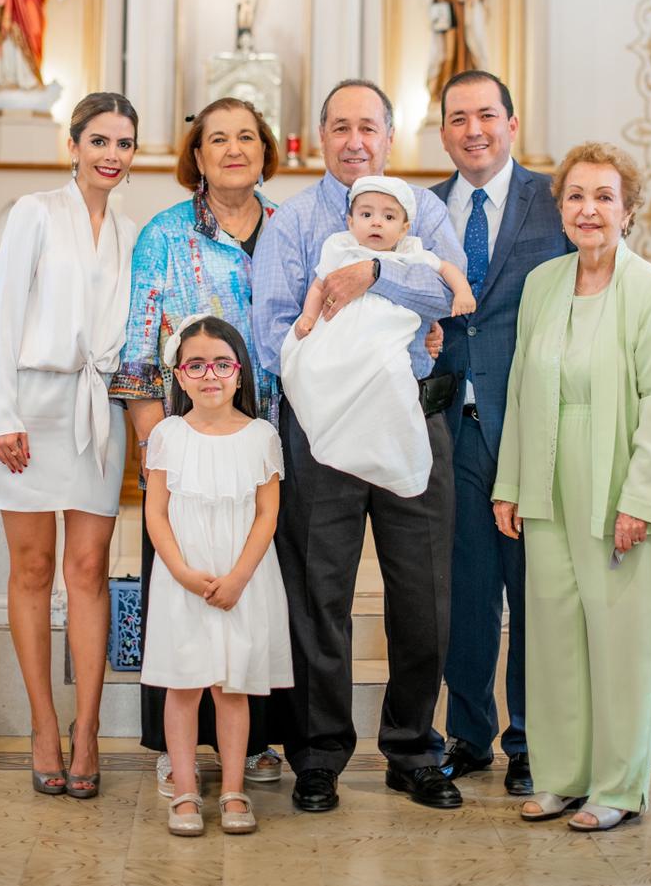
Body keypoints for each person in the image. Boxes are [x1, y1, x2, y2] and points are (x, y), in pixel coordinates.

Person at [431, 71, 651, 798]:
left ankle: (540, 751)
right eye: (459, 118)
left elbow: (647, 354)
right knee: (486, 602)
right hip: (471, 430)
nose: (474, 129)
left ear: (513, 123)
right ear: (444, 129)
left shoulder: (556, 203)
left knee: (571, 619)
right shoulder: (424, 209)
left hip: (576, 450)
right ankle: (485, 740)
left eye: (488, 115)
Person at [253, 80, 468, 812]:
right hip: (322, 431)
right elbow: (275, 326)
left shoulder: (424, 210)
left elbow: (447, 293)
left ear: (388, 135)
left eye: (368, 127)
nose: (355, 140)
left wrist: (375, 272)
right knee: (320, 595)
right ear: (320, 136)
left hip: (413, 418)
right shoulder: (295, 223)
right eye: (340, 126)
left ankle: (412, 748)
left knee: (424, 594)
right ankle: (317, 754)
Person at [493, 142, 651, 831]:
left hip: (619, 482)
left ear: (628, 211)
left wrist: (640, 496)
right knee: (552, 637)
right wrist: (510, 483)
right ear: (562, 209)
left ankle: (616, 787)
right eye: (576, 196)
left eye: (604, 197)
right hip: (546, 478)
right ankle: (560, 778)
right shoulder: (543, 283)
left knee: (622, 640)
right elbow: (519, 386)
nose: (589, 209)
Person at [110, 98, 285, 789]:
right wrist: (159, 445)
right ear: (198, 155)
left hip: (263, 436)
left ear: (265, 151)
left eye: (247, 136)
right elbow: (138, 341)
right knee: (180, 587)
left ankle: (257, 743)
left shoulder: (289, 230)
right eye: (219, 138)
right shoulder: (164, 232)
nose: (234, 148)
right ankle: (171, 743)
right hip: (183, 441)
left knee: (255, 583)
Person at [0, 92, 138, 797]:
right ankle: (44, 725)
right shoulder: (35, 213)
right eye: (99, 140)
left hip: (96, 406)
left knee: (88, 568)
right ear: (72, 145)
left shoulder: (133, 232)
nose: (111, 154)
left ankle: (88, 729)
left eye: (124, 143)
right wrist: (2, 414)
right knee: (33, 568)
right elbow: (4, 314)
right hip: (34, 404)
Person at [142, 315, 292, 837]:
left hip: (241, 578)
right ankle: (184, 790)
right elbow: (155, 513)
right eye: (197, 365)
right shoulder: (165, 435)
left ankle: (232, 789)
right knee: (183, 686)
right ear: (180, 376)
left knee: (233, 687)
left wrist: (239, 577)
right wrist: (182, 571)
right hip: (184, 576)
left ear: (240, 373)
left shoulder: (261, 435)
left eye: (222, 364)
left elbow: (267, 514)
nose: (210, 375)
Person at [282, 174, 474, 497]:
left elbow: (446, 270)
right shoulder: (339, 248)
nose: (376, 223)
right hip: (342, 339)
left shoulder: (411, 252)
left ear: (404, 228)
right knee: (311, 367)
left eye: (388, 217)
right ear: (350, 221)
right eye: (366, 215)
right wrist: (308, 317)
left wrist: (462, 291)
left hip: (388, 341)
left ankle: (403, 462)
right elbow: (319, 284)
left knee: (394, 377)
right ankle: (336, 437)